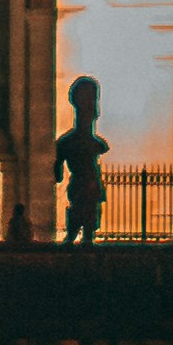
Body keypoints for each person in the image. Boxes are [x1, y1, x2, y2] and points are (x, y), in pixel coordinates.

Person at [55, 78, 110, 243]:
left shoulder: (68, 142)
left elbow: (57, 173)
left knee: (83, 229)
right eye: (91, 101)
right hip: (83, 187)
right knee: (81, 225)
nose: (95, 109)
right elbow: (57, 171)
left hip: (84, 186)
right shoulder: (76, 143)